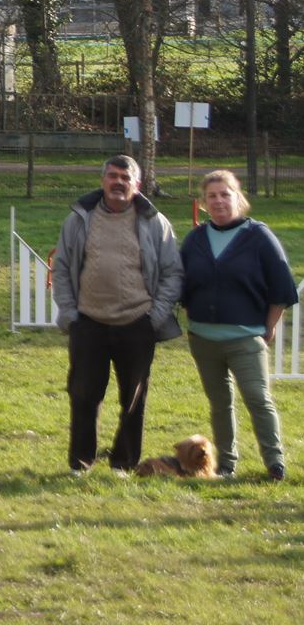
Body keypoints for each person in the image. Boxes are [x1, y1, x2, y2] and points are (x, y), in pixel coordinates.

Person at [52, 154, 182, 474]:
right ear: (102, 181)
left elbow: (172, 273)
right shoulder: (79, 218)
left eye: (126, 178)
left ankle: (123, 463)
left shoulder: (154, 222)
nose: (118, 183)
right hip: (89, 322)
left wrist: (156, 316)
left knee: (133, 400)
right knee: (83, 395)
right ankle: (81, 463)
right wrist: (70, 313)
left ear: (137, 185)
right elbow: (63, 266)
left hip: (137, 323)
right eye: (112, 176)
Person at [179, 168, 297, 480]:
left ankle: (275, 463)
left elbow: (282, 288)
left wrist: (269, 327)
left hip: (246, 338)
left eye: (224, 194)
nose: (218, 201)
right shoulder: (195, 239)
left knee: (258, 398)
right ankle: (226, 464)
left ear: (237, 197)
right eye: (211, 196)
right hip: (203, 339)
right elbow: (180, 284)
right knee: (219, 402)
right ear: (204, 202)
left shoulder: (258, 236)